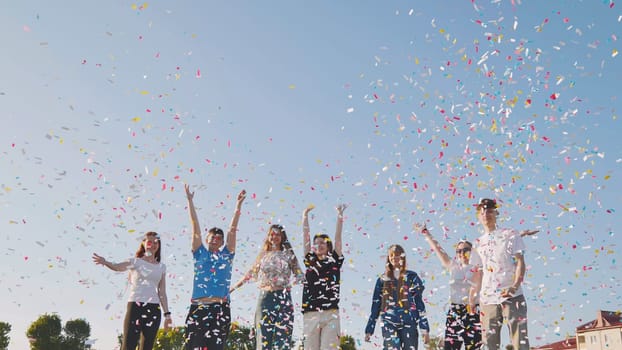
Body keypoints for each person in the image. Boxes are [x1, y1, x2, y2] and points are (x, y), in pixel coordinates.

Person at [184, 184, 246, 350]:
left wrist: (238, 206)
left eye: (219, 238)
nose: (215, 239)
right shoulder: (199, 253)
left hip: (220, 309)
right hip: (198, 307)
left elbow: (232, 231)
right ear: (207, 238)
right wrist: (190, 201)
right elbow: (194, 226)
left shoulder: (226, 255)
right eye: (212, 237)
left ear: (222, 241)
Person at [468, 198, 531, 350]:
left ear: (496, 213)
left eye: (489, 211)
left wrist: (515, 286)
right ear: (478, 216)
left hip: (512, 295)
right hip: (487, 299)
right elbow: (478, 273)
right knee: (489, 343)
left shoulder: (510, 235)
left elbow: (520, 262)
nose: (485, 214)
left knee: (519, 341)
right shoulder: (477, 242)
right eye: (482, 212)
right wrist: (472, 298)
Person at [92, 231, 172, 350]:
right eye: (149, 241)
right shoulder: (135, 262)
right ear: (144, 244)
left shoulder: (161, 267)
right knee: (128, 345)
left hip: (154, 309)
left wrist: (167, 315)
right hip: (136, 306)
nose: (153, 244)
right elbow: (118, 267)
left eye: (156, 242)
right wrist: (105, 262)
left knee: (147, 347)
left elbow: (162, 292)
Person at [230, 224, 304, 349]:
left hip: (284, 297)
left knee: (283, 337)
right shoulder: (263, 255)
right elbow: (250, 274)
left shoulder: (288, 255)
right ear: (268, 236)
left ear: (282, 237)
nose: (274, 237)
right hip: (265, 298)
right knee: (263, 336)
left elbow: (300, 275)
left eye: (278, 234)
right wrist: (232, 288)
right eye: (272, 234)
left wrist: (294, 282)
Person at [414, 223, 481, 350]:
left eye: (465, 250)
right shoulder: (453, 266)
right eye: (459, 250)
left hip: (473, 311)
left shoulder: (477, 268)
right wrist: (426, 232)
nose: (462, 253)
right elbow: (438, 249)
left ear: (471, 252)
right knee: (450, 347)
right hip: (455, 311)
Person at [365, 244, 430, 350]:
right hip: (389, 323)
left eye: (397, 255)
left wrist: (424, 329)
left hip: (409, 322)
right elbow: (376, 305)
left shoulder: (412, 277)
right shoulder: (382, 280)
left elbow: (419, 303)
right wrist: (369, 329)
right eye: (391, 255)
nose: (394, 257)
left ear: (402, 257)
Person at [301, 204, 347, 350]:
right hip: (311, 313)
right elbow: (306, 237)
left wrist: (340, 216)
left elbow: (338, 238)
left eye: (322, 243)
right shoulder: (310, 261)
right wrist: (305, 216)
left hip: (330, 313)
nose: (319, 245)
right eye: (316, 244)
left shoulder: (334, 260)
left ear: (328, 246)